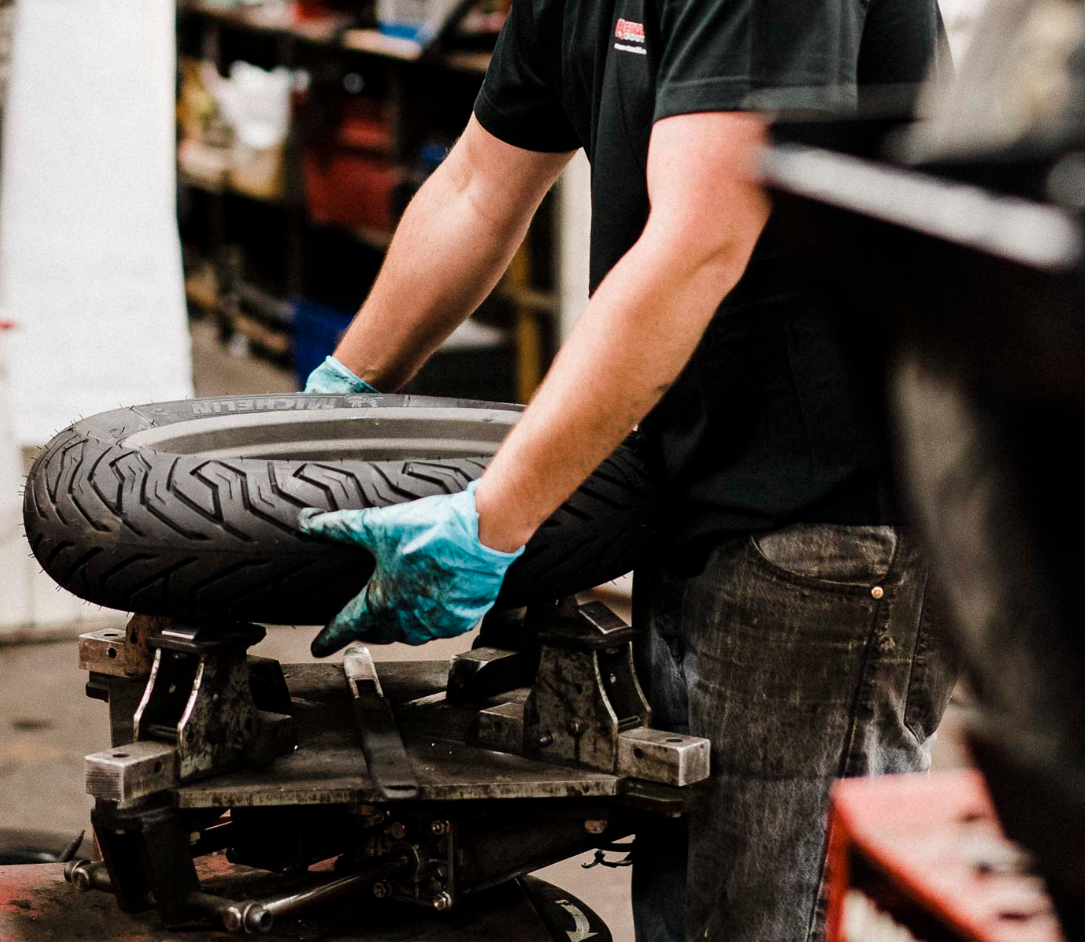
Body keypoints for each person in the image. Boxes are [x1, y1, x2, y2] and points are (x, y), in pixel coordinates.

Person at [298, 0, 960, 938]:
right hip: (703, 469)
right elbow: (477, 188)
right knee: (696, 892)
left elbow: (699, 242)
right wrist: (340, 392)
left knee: (772, 911)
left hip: (835, 515)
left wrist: (494, 517)